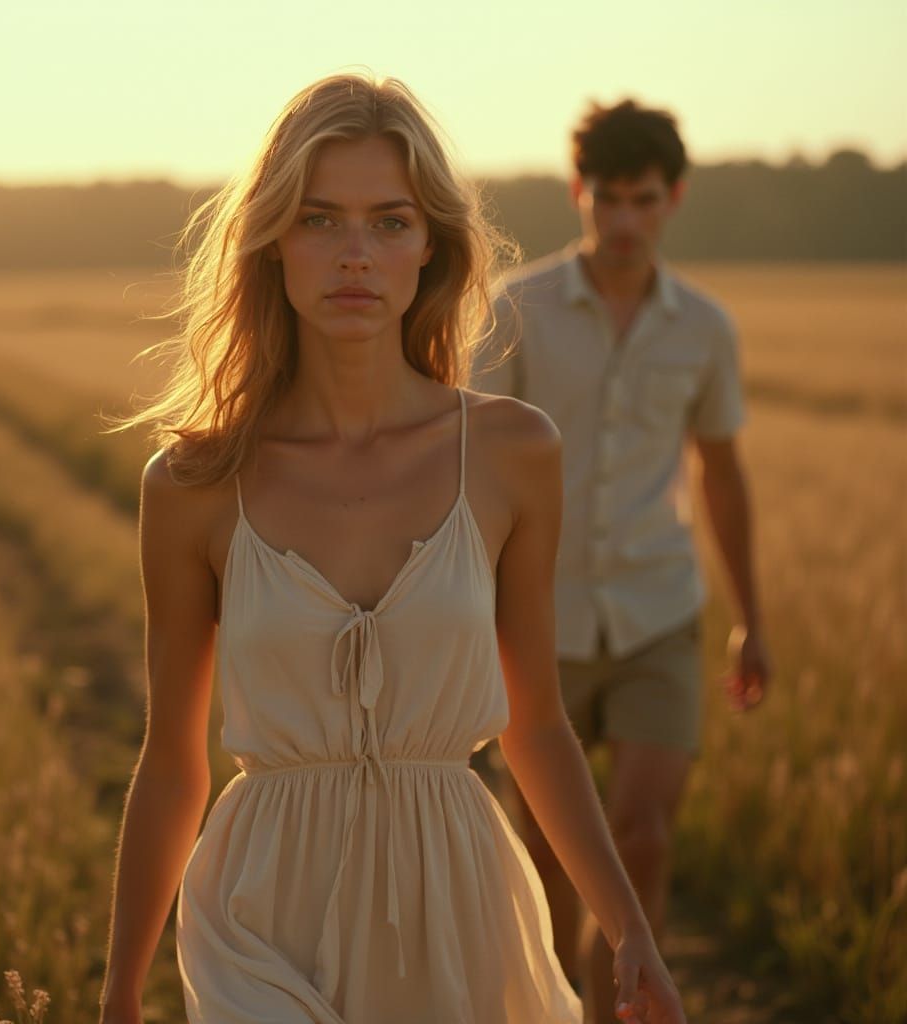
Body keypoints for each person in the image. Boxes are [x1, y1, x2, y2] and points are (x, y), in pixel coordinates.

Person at [97, 74, 686, 1024]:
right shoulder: (193, 483)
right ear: (273, 241)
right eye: (319, 220)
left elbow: (537, 727)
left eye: (390, 223)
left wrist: (629, 930)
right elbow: (171, 762)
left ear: (430, 247)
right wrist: (121, 989)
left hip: (452, 909)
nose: (355, 255)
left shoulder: (511, 452)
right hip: (261, 917)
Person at [474, 99, 771, 1021]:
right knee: (548, 851)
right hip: (537, 621)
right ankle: (556, 1003)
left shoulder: (705, 328)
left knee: (642, 835)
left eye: (644, 200)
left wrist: (752, 621)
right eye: (608, 198)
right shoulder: (516, 309)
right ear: (580, 191)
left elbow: (721, 473)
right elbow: (472, 463)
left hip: (658, 617)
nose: (625, 220)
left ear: (673, 198)